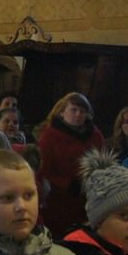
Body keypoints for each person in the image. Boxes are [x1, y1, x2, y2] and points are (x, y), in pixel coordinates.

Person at [37, 92, 105, 237]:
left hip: (90, 198)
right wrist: (68, 185)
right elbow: (44, 170)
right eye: (73, 110)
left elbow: (104, 162)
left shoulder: (95, 135)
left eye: (82, 111)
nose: (78, 114)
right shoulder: (49, 137)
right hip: (60, 201)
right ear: (62, 112)